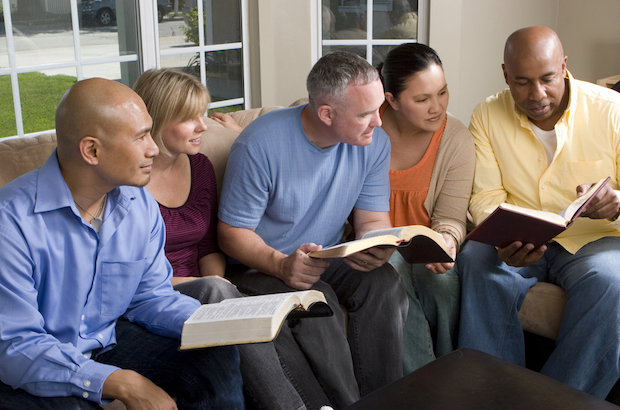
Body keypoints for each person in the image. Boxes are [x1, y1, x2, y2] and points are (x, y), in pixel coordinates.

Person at [0, 78, 244, 409]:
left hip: (105, 342)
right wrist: (120, 381)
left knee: (212, 354)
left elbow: (151, 296)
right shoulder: (10, 222)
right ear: (92, 150)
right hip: (33, 356)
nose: (153, 149)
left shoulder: (139, 204)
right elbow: (15, 345)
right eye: (141, 137)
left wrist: (216, 324)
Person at [217, 51, 409, 407]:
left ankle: (384, 400)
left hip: (326, 256)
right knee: (318, 301)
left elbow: (371, 219)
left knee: (384, 283)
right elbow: (231, 233)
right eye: (365, 114)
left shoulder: (374, 144)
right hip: (259, 265)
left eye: (379, 108)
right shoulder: (259, 144)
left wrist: (375, 243)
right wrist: (280, 265)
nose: (378, 122)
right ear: (326, 114)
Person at [457, 26, 620, 399]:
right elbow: (485, 197)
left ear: (564, 66)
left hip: (595, 240)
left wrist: (616, 202)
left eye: (547, 79)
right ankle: (490, 394)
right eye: (522, 82)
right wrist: (503, 235)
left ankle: (554, 402)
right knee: (475, 258)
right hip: (518, 238)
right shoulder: (486, 115)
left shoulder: (611, 110)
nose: (537, 94)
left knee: (613, 282)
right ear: (505, 75)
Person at [133, 68, 307, 410]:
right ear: (156, 120)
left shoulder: (199, 167)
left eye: (203, 114)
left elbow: (207, 247)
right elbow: (132, 274)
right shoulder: (129, 181)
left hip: (205, 289)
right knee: (222, 296)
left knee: (269, 318)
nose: (203, 126)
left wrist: (216, 285)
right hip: (155, 293)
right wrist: (210, 289)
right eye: (189, 118)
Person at [378, 43, 474, 374]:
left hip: (426, 245)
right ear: (391, 100)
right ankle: (427, 384)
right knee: (391, 268)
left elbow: (450, 217)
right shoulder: (364, 123)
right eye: (422, 99)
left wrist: (447, 240)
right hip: (374, 244)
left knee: (442, 283)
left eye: (442, 93)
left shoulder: (456, 138)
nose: (438, 107)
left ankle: (450, 370)